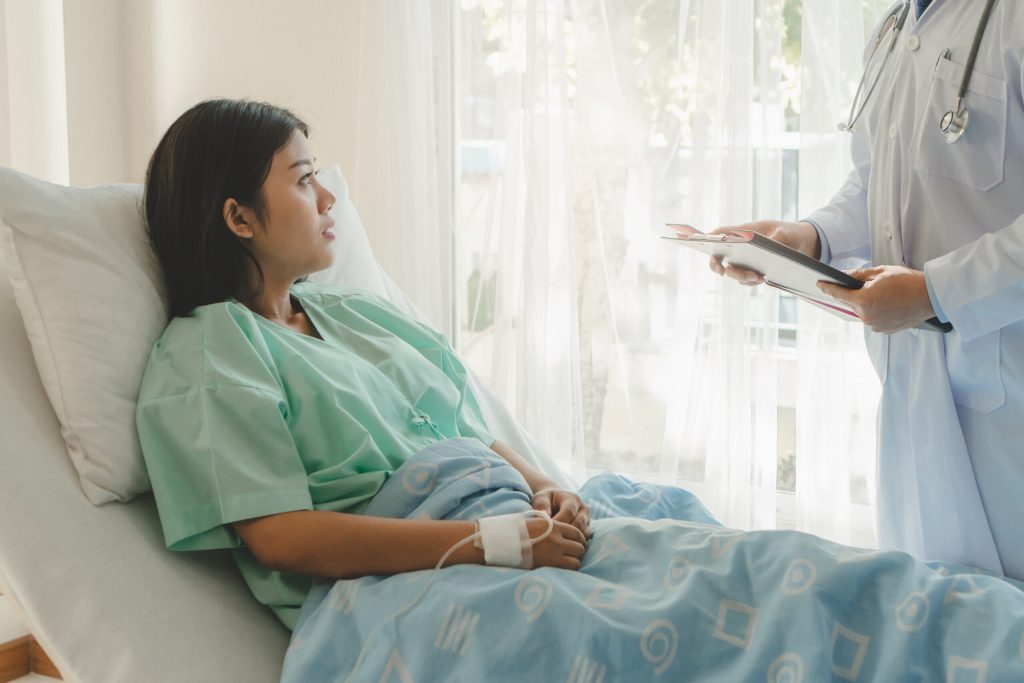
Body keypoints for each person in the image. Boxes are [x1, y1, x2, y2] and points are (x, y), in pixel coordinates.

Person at [135, 98, 590, 630]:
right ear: (239, 218)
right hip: (419, 587)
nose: (328, 198)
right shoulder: (212, 353)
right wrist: (494, 543)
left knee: (691, 552)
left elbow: (464, 428)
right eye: (304, 181)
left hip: (515, 523)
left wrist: (544, 486)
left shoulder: (357, 310)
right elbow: (282, 536)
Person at [709, 0, 1024, 580]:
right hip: (912, 383)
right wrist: (812, 236)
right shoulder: (894, 29)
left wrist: (935, 292)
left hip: (1009, 399)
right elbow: (878, 180)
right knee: (924, 622)